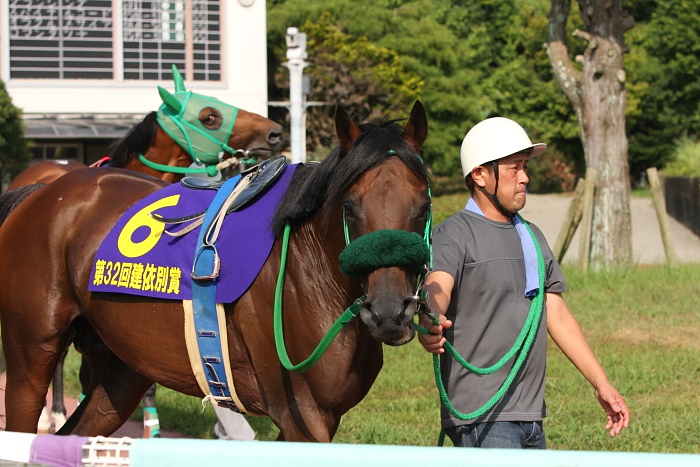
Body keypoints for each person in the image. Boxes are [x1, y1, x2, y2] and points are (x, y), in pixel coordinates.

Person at [418, 117, 630, 449]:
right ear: (480, 174)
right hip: (482, 418)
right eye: (515, 168)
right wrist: (431, 316)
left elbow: (556, 316)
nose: (525, 177)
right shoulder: (455, 234)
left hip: (531, 417)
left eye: (526, 167)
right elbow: (437, 286)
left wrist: (601, 383)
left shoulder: (532, 237)